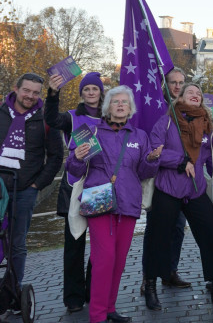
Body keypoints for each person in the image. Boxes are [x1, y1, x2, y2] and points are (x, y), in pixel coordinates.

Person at [66, 85, 161, 323]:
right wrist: (76, 157)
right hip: (97, 197)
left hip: (128, 200)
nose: (120, 105)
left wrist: (151, 160)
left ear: (130, 109)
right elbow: (74, 168)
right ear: (107, 107)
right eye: (116, 101)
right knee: (104, 257)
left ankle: (109, 308)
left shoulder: (140, 136)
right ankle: (97, 315)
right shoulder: (91, 131)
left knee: (118, 260)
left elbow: (143, 172)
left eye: (125, 102)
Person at [143, 83, 213, 311]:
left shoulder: (207, 126)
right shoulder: (166, 122)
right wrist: (180, 161)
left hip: (195, 190)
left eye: (198, 93)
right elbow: (154, 151)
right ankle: (151, 286)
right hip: (168, 187)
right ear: (179, 98)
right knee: (158, 236)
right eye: (190, 92)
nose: (195, 95)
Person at [45, 71, 105, 313]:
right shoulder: (71, 118)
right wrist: (52, 93)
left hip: (100, 186)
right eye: (87, 89)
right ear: (81, 93)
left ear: (101, 93)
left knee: (99, 244)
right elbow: (50, 118)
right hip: (76, 184)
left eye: (95, 89)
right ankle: (73, 297)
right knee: (74, 243)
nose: (91, 93)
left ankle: (93, 290)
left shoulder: (110, 117)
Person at [0, 72, 63, 287]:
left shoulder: (46, 119)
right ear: (16, 89)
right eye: (26, 90)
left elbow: (56, 157)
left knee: (17, 244)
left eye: (35, 93)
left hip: (25, 189)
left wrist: (37, 184)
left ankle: (12, 291)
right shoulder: (0, 113)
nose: (30, 96)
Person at [140, 67, 192, 294]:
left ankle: (170, 271)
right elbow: (153, 146)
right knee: (155, 230)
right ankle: (148, 275)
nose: (178, 86)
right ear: (165, 85)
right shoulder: (155, 107)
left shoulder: (189, 109)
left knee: (178, 228)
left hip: (182, 181)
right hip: (159, 178)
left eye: (181, 82)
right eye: (173, 82)